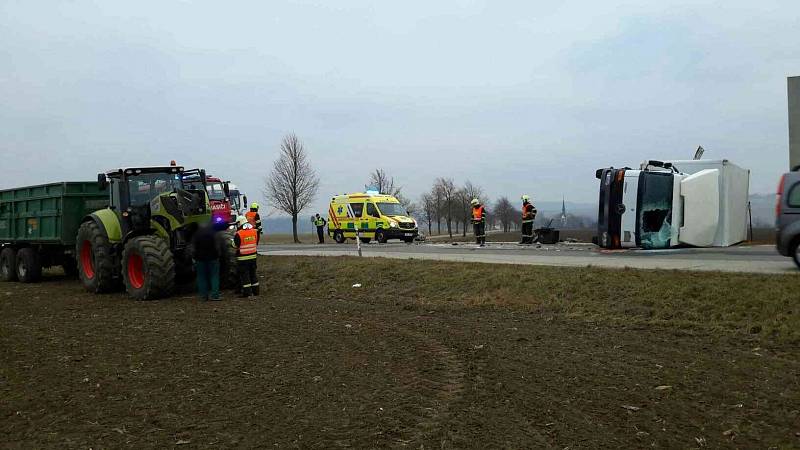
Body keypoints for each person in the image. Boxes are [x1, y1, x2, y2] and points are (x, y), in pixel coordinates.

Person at [192, 220, 222, 301]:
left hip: (200, 259)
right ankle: (215, 295)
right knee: (214, 276)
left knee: (201, 277)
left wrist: (194, 257)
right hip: (213, 258)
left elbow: (193, 247)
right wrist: (218, 255)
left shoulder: (196, 234)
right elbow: (217, 246)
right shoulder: (214, 233)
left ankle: (203, 296)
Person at [232, 216, 260, 298]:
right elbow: (255, 242)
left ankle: (247, 292)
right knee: (253, 274)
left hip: (243, 258)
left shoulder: (239, 233)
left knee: (245, 276)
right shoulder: (254, 231)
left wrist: (232, 242)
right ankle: (256, 291)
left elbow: (235, 245)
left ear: (240, 223)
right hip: (253, 257)